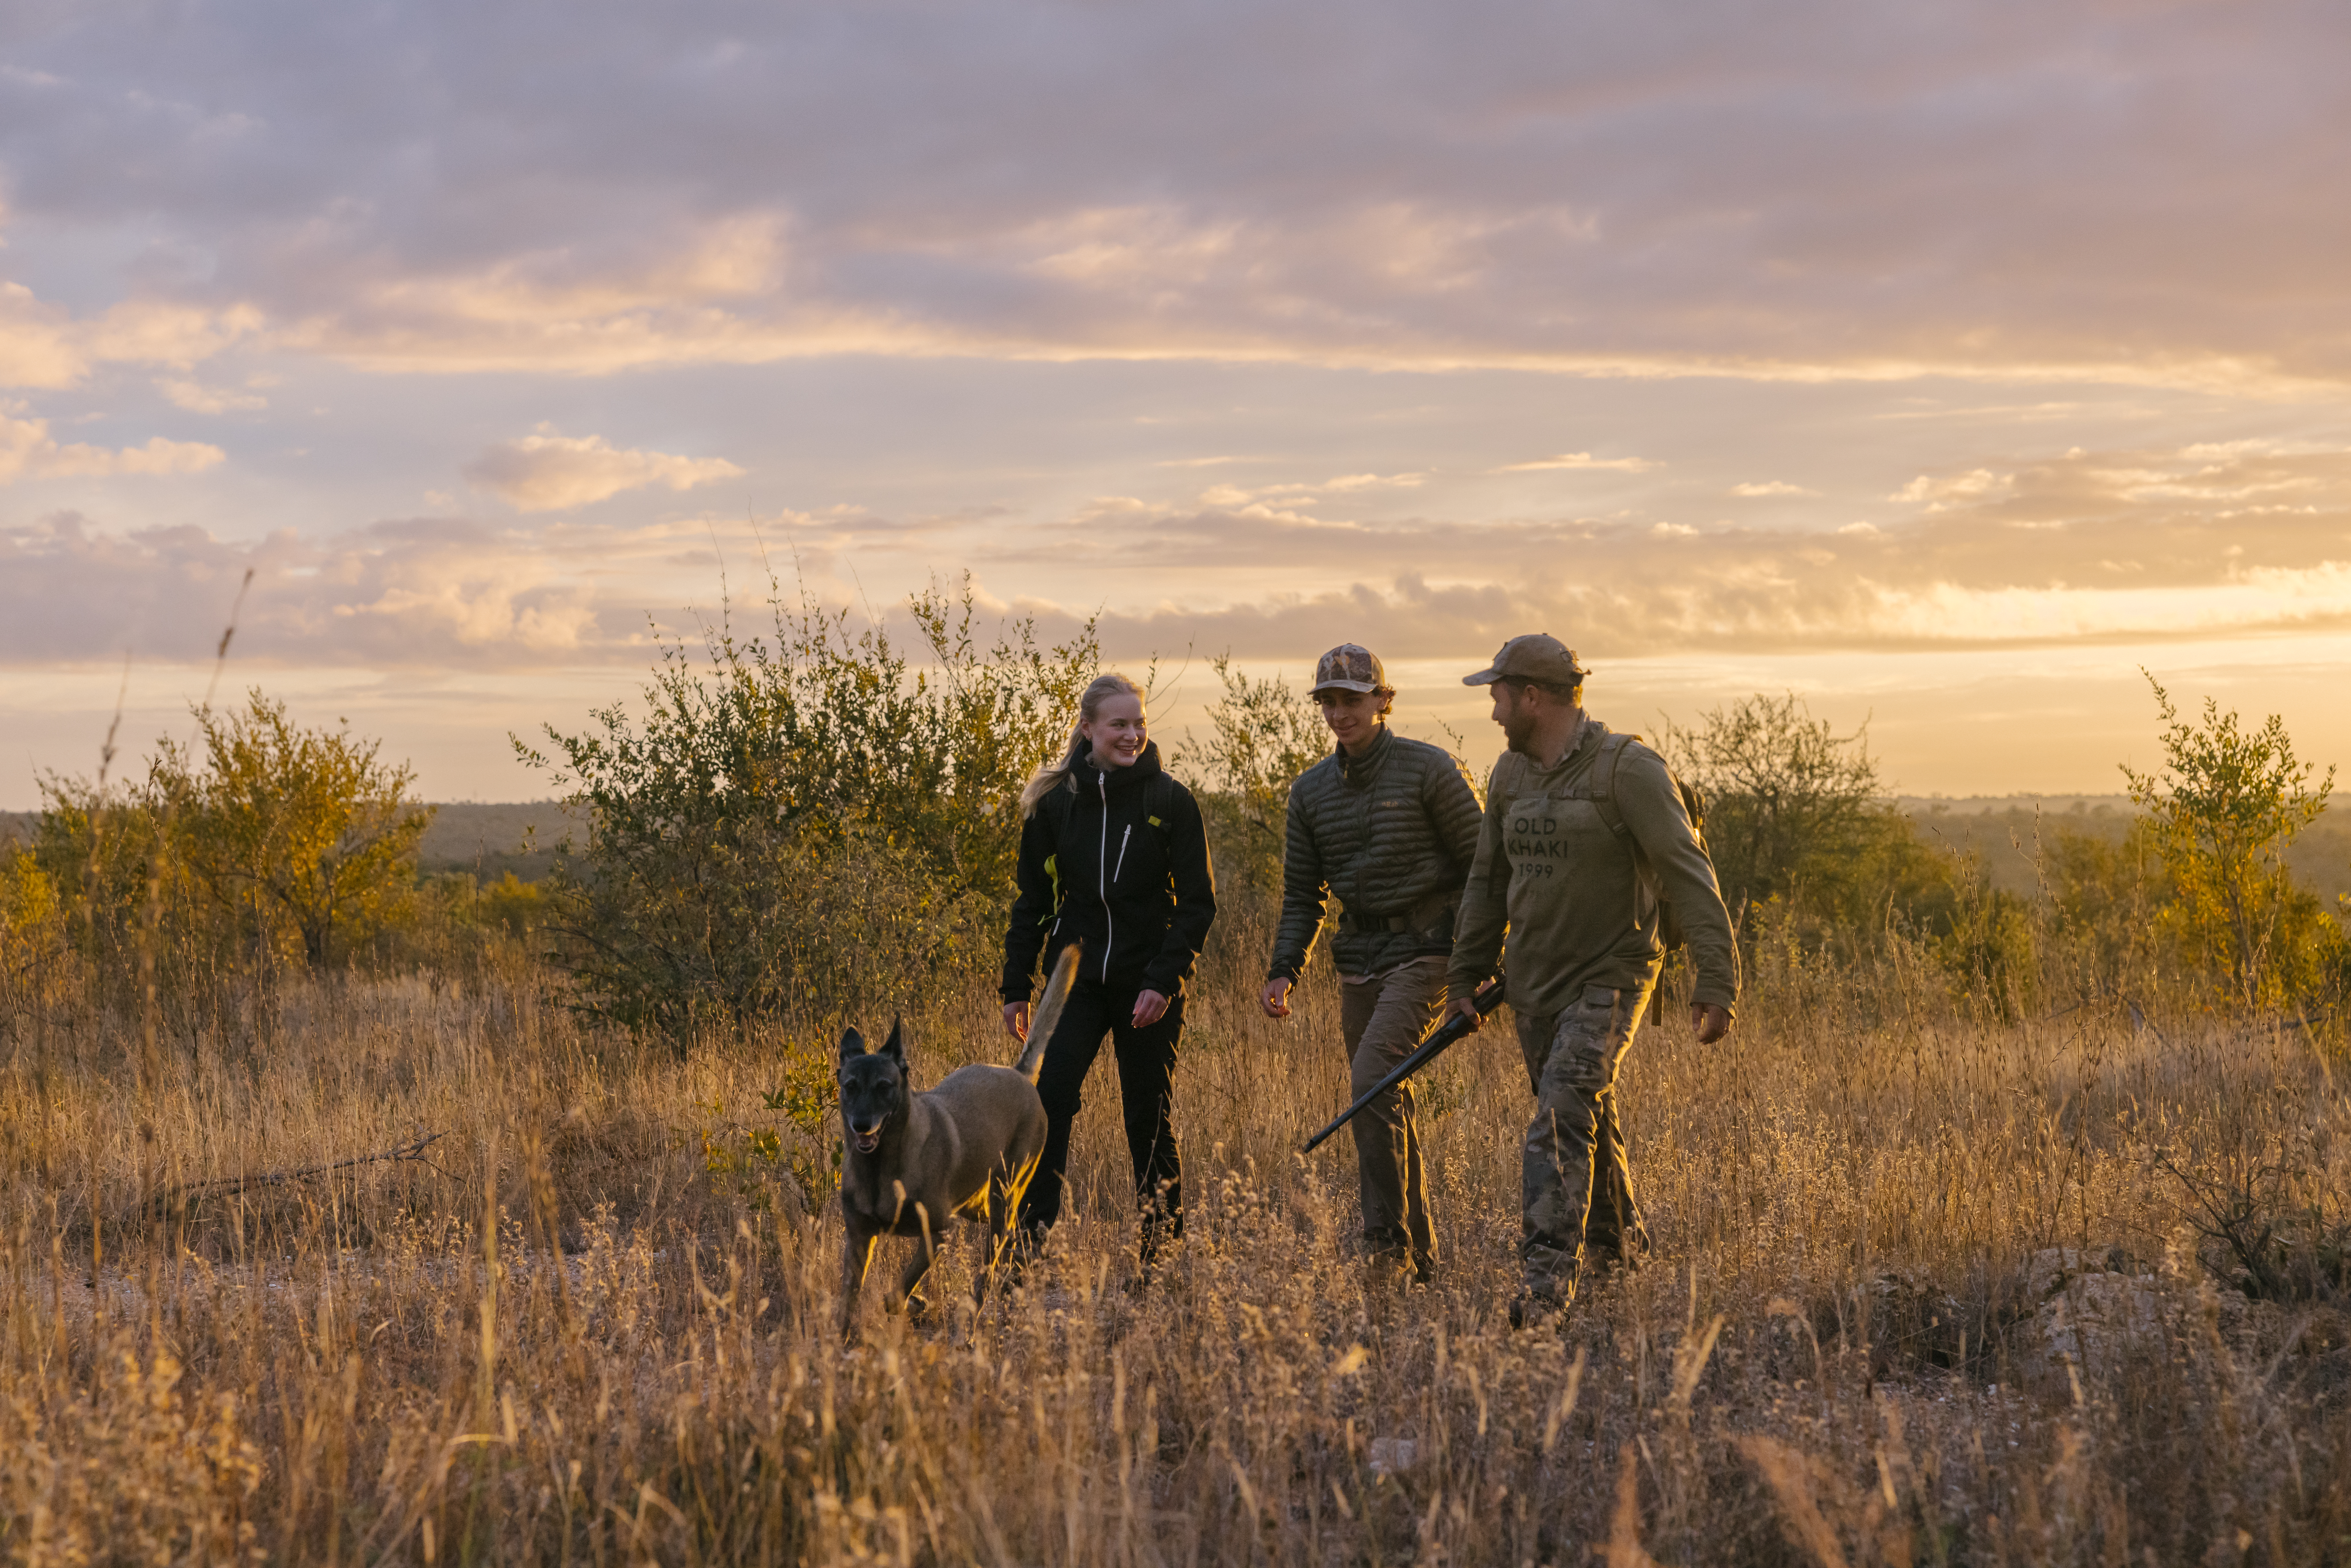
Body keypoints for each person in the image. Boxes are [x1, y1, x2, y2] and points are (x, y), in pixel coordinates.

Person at [1442, 634, 1738, 1328]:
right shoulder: (1510, 775)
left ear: (1532, 698)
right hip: (1534, 980)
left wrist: (1716, 977)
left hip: (1613, 976)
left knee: (1559, 1113)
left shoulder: (1628, 770)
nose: (1493, 712)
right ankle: (1619, 1247)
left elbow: (1686, 871)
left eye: (1498, 697)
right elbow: (1487, 879)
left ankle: (1545, 1289)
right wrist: (1465, 970)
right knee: (1583, 1112)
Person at [1261, 644, 1483, 1285]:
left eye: (1353, 700)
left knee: (1371, 1083)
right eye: (1329, 701)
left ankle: (1384, 1248)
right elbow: (1304, 896)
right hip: (1358, 958)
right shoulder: (1309, 791)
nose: (1340, 713)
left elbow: (1484, 868)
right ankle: (1420, 1257)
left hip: (1429, 950)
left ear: (1383, 701)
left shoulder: (1430, 769)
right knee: (1386, 1096)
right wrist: (1284, 968)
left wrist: (1478, 960)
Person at [1001, 672, 1216, 1264]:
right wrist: (1016, 985)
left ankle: (1160, 1255)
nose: (1132, 735)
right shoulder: (1055, 803)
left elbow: (1198, 904)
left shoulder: (1169, 801)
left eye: (1139, 723)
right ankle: (1026, 1249)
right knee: (1046, 1103)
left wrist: (1163, 981)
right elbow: (1032, 902)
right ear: (1088, 729)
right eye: (1119, 724)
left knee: (1148, 1114)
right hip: (1074, 983)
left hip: (1147, 985)